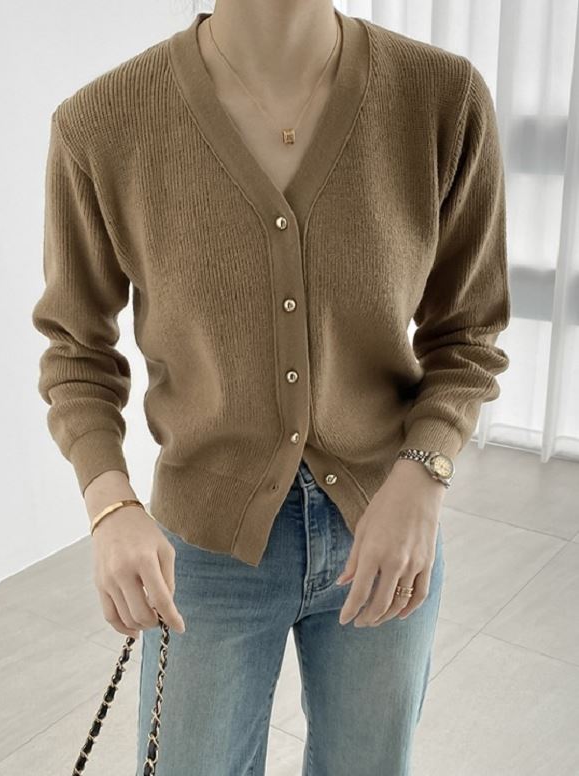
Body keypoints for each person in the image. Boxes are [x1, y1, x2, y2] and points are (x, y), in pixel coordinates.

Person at [31, 1, 511, 773]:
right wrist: (109, 504)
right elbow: (75, 347)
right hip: (204, 549)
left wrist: (423, 477)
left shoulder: (441, 99)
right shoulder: (102, 124)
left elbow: (469, 330)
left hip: (384, 523)